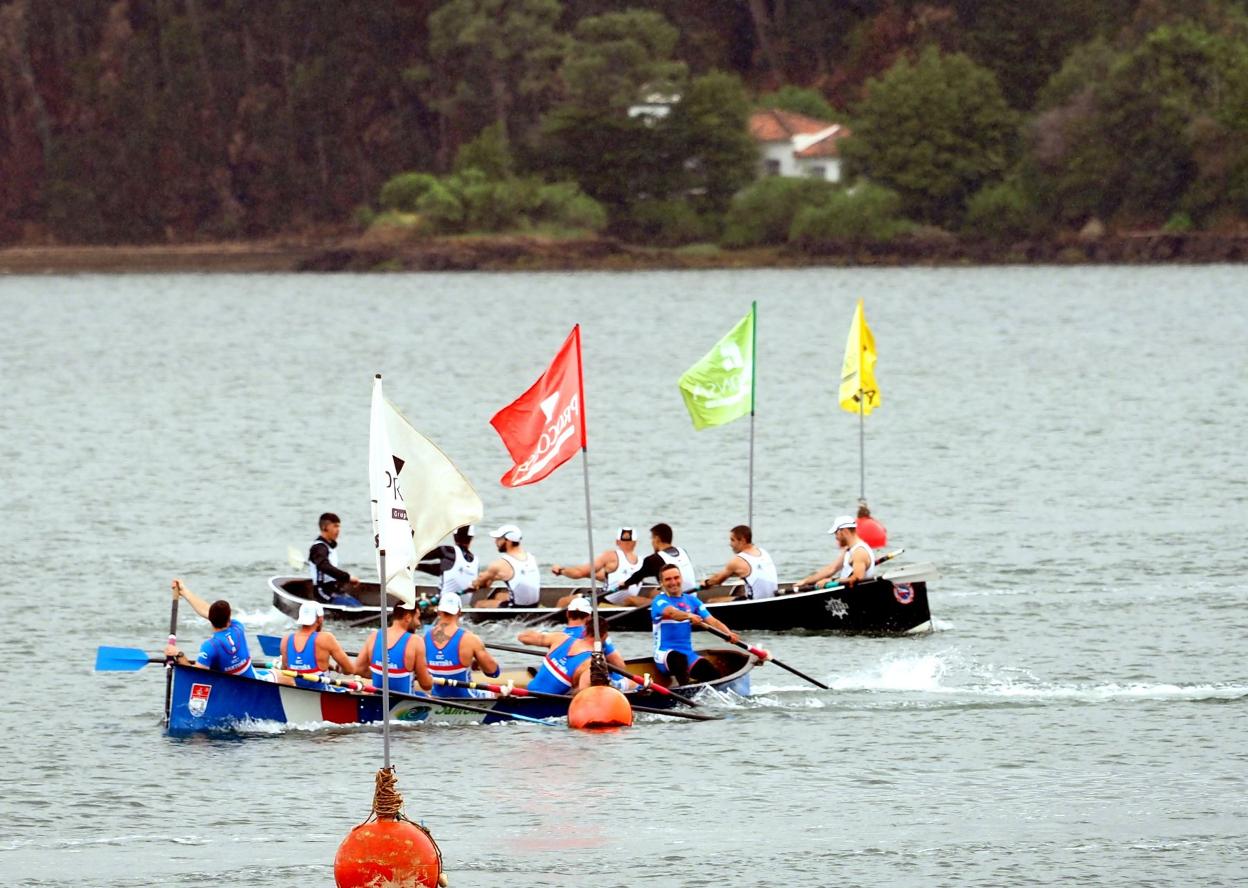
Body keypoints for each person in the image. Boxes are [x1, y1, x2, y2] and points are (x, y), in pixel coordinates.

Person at [163, 578, 286, 683]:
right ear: (229, 617)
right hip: (254, 679)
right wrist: (185, 592)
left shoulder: (210, 646)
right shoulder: (238, 627)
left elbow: (196, 675)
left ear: (210, 619)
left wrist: (179, 654)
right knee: (288, 679)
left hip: (237, 685)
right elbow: (207, 610)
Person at [651, 562, 738, 685]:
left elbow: (712, 621)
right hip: (663, 655)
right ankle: (684, 693)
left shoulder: (692, 601)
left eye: (676, 578)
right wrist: (689, 615)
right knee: (679, 659)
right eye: (668, 579)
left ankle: (699, 694)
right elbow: (673, 613)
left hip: (687, 655)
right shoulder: (659, 601)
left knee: (712, 673)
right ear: (662, 583)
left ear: (681, 579)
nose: (673, 582)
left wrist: (728, 633)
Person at [518, 596, 628, 673]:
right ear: (589, 617)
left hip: (565, 678)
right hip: (595, 679)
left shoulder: (558, 636)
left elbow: (522, 637)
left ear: (567, 614)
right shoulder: (595, 635)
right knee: (635, 685)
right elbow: (620, 666)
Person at [423, 592, 500, 698]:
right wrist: (478, 661)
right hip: (466, 698)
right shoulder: (470, 639)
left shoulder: (425, 638)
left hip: (437, 697)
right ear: (459, 612)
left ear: (439, 611)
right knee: (500, 691)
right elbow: (493, 672)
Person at [551, 527, 650, 607]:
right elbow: (613, 576)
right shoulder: (642, 561)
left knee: (563, 601)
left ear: (617, 542)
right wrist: (588, 575)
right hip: (624, 601)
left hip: (605, 600)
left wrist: (561, 571)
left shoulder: (611, 555)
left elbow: (579, 572)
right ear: (635, 542)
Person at [353, 601, 432, 695]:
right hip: (404, 705)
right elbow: (426, 685)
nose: (419, 623)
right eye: (417, 618)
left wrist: (381, 674)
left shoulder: (374, 636)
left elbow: (358, 669)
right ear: (407, 617)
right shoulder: (416, 641)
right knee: (426, 695)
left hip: (377, 702)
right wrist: (430, 678)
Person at [523, 614, 613, 693]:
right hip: (548, 705)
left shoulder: (560, 638)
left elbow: (523, 637)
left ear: (584, 631)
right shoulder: (592, 662)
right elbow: (583, 694)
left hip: (529, 691)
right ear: (605, 636)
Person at [281, 601, 359, 688]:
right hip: (321, 692)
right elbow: (350, 669)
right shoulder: (326, 638)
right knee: (360, 682)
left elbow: (284, 669)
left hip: (297, 690)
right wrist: (340, 669)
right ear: (320, 619)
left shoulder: (286, 639)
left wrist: (321, 665)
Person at [793, 515, 876, 589]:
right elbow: (831, 569)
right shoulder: (849, 549)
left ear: (845, 531)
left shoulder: (859, 552)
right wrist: (806, 581)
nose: (836, 537)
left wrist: (832, 581)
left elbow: (857, 578)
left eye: (836, 533)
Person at [701, 525, 780, 602]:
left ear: (742, 540)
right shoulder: (763, 552)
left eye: (732, 540)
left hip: (754, 602)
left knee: (711, 601)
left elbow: (717, 580)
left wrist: (706, 583)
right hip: (772, 598)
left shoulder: (738, 560)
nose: (730, 544)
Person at [471, 524, 541, 608]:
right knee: (499, 595)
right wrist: (493, 577)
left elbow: (479, 583)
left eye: (498, 539)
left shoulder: (500, 564)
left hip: (517, 607)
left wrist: (473, 584)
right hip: (534, 605)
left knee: (479, 604)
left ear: (508, 540)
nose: (495, 542)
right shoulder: (531, 558)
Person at [616, 522, 698, 593]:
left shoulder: (653, 559)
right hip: (692, 596)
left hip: (675, 600)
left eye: (652, 538)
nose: (652, 542)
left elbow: (637, 577)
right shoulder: (683, 551)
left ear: (657, 539)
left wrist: (624, 584)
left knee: (630, 599)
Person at [308, 512, 363, 607]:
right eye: (335, 526)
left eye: (339, 527)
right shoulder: (319, 548)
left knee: (358, 606)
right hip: (322, 592)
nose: (338, 530)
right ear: (325, 527)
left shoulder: (328, 547)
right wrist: (348, 577)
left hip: (334, 589)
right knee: (354, 607)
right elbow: (324, 566)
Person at [416, 525, 479, 599]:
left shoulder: (447, 551)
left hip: (445, 603)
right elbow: (446, 569)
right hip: (464, 603)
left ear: (454, 536)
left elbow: (418, 557)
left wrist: (414, 566)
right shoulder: (476, 560)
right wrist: (418, 567)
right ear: (471, 538)